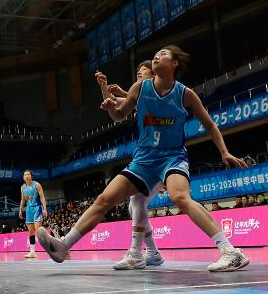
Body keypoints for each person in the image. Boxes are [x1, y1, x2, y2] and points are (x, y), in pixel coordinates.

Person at [37, 46, 251, 272]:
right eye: (156, 54)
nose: (157, 56)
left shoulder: (185, 94)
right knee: (104, 199)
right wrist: (110, 107)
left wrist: (224, 152)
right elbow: (119, 115)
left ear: (175, 63)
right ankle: (63, 245)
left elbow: (209, 125)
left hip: (172, 158)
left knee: (180, 197)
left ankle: (230, 252)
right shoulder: (140, 87)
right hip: (144, 160)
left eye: (164, 54)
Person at [96, 60, 165, 270]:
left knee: (137, 199)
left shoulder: (163, 92)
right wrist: (104, 87)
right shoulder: (139, 95)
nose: (138, 74)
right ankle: (153, 252)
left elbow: (145, 101)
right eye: (136, 72)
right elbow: (115, 105)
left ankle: (136, 252)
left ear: (153, 75)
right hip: (149, 160)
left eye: (142, 71)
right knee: (134, 204)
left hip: (164, 160)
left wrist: (126, 93)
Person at [18, 171, 47, 259]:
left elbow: (42, 197)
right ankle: (32, 252)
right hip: (28, 209)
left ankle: (50, 247)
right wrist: (20, 210)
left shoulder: (36, 185)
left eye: (28, 174)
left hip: (37, 208)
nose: (27, 176)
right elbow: (23, 200)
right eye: (25, 175)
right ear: (23, 177)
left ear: (31, 176)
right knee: (31, 232)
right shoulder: (22, 187)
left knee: (38, 230)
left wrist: (45, 209)